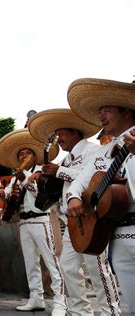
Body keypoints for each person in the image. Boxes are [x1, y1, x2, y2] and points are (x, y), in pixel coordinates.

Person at [28, 108, 120, 315]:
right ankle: (81, 312)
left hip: (92, 219)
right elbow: (56, 184)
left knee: (98, 271)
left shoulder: (92, 150)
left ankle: (111, 312)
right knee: (68, 267)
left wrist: (59, 171)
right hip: (71, 221)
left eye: (61, 134)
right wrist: (38, 179)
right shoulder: (67, 158)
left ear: (75, 133)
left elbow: (95, 177)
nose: (59, 139)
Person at [66, 78, 135, 312]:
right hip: (116, 235)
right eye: (100, 111)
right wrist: (74, 197)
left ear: (127, 111)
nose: (102, 116)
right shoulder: (103, 150)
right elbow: (80, 181)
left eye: (107, 110)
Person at [0, 129, 67, 316]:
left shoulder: (43, 172)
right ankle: (36, 299)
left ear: (34, 156)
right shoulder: (15, 177)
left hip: (41, 220)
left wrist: (25, 180)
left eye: (27, 152)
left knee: (52, 260)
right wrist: (2, 195)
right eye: (20, 154)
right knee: (30, 262)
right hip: (23, 222)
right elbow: (9, 200)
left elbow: (42, 195)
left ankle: (61, 301)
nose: (23, 155)